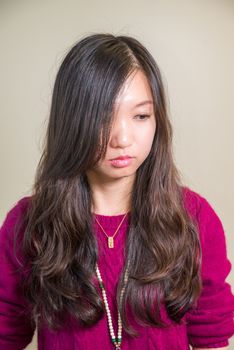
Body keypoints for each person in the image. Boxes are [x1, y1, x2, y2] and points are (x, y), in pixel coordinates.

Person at [0, 33, 233, 350]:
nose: (123, 138)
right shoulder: (28, 224)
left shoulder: (195, 219)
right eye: (103, 116)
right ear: (72, 122)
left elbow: (212, 339)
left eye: (140, 115)